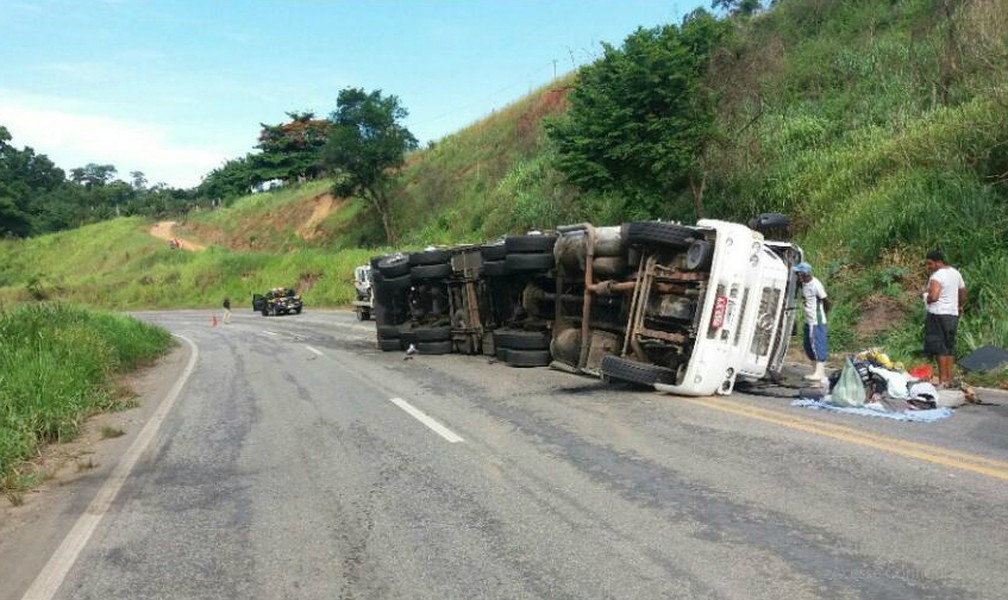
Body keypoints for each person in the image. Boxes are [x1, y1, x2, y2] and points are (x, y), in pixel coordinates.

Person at [923, 249, 967, 386]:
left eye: (930, 264)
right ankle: (949, 378)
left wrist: (927, 297)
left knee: (940, 348)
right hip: (952, 315)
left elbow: (934, 296)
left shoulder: (937, 276)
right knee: (949, 346)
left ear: (938, 262)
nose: (928, 267)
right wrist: (959, 306)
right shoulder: (956, 273)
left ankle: (943, 380)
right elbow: (963, 291)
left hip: (938, 314)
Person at [794, 262, 831, 381]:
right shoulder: (802, 283)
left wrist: (823, 315)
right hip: (808, 320)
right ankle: (816, 371)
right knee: (808, 345)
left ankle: (820, 373)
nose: (797, 275)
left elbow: (826, 301)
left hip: (816, 321)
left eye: (799, 273)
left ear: (805, 273)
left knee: (818, 345)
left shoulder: (816, 285)